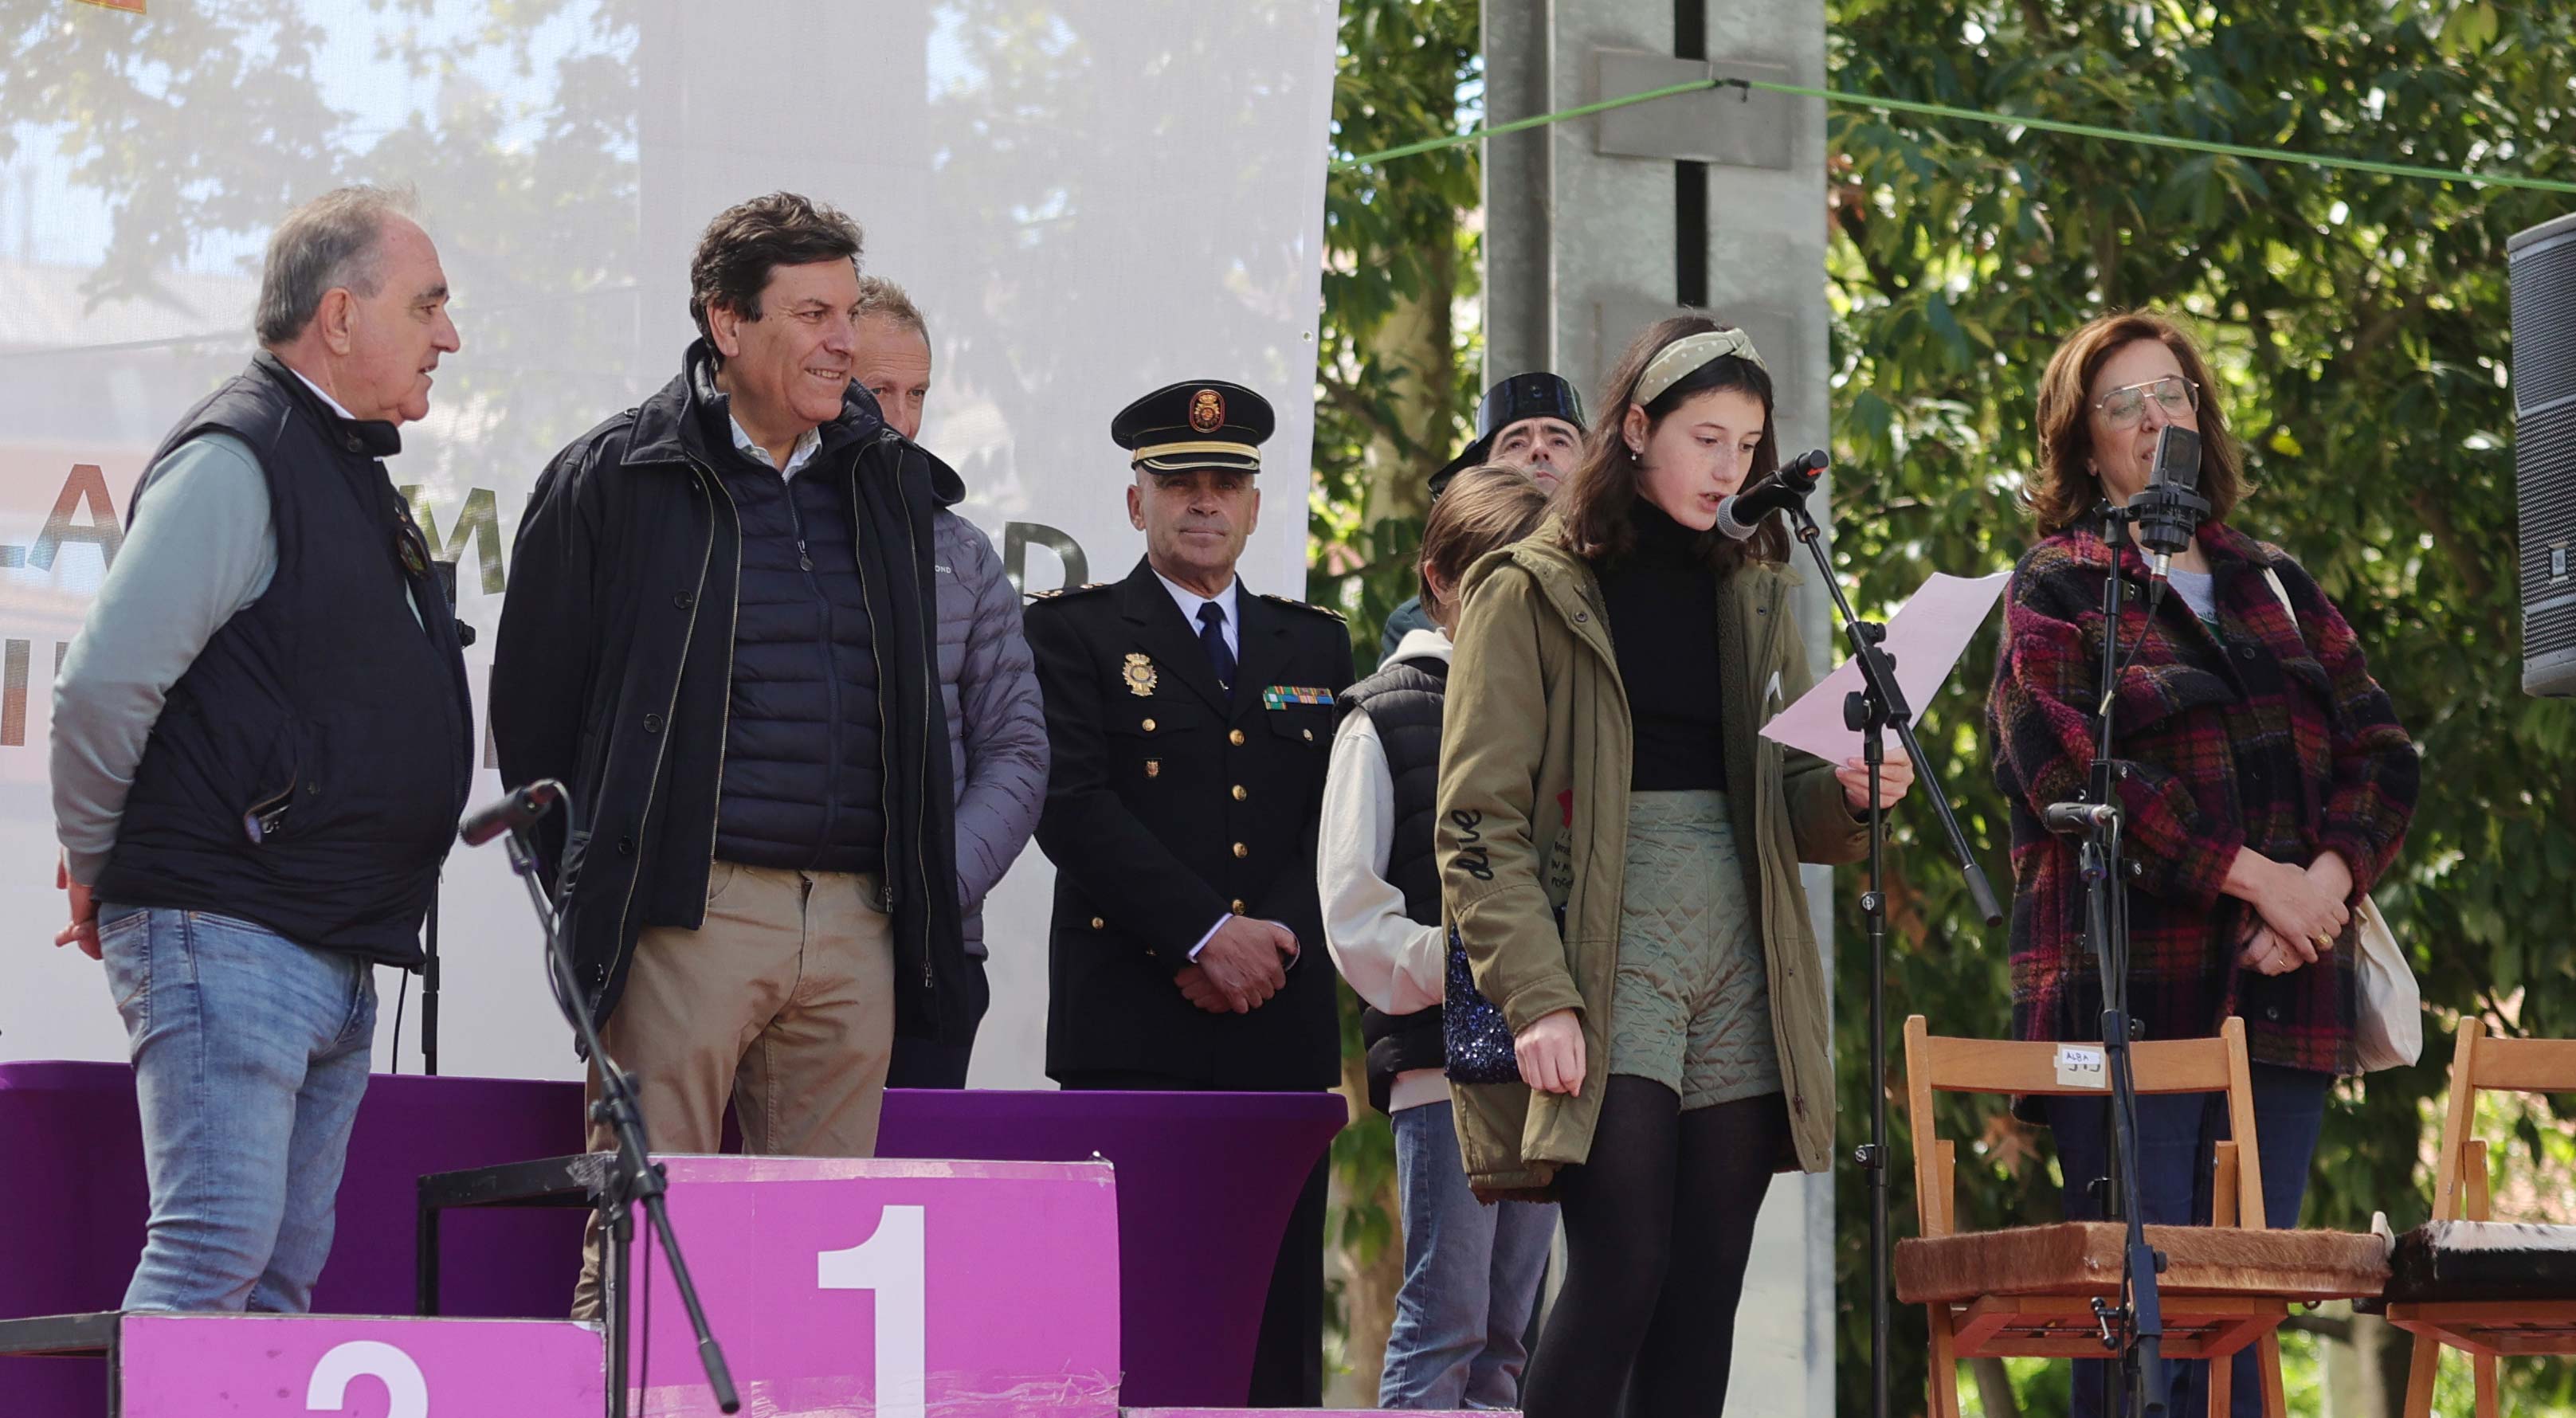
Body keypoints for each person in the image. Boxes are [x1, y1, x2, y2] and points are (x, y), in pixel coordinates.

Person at [491, 193, 974, 1315]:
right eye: (812, 313)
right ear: (726, 323)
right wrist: (616, 885)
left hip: (856, 926)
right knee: (648, 1252)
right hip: (685, 922)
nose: (843, 342)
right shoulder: (614, 477)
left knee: (814, 1270)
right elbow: (538, 733)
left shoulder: (890, 483)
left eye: (848, 312)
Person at [1437, 315, 1912, 1417]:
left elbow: (1782, 800)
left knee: (1706, 1289)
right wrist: (1536, 995)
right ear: (1635, 428)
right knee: (1623, 1270)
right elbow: (1474, 825)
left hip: (1741, 935)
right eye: (1707, 437)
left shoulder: (1755, 584)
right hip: (1605, 937)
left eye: (1747, 446)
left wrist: (1844, 797)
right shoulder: (1526, 585)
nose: (1729, 468)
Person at [1986, 311, 2419, 1418]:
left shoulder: (2273, 581)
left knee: (2241, 1315)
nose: (2153, 419)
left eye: (2171, 393)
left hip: (2284, 997)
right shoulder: (2060, 580)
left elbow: (2381, 751)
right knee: (2133, 1331)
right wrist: (2252, 876)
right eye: (2122, 403)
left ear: (2201, 415)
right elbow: (2067, 768)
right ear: (2082, 443)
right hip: (2127, 995)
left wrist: (2319, 886)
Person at [49, 185, 471, 1312]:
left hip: (323, 939)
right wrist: (97, 861)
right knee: (213, 1257)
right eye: (428, 305)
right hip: (230, 926)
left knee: (278, 1282)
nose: (449, 335)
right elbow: (100, 683)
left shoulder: (341, 464)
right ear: (340, 316)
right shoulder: (242, 455)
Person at [1026, 380, 1355, 1406]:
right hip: (1132, 1023)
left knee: (1274, 1321)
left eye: (1224, 483)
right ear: (1137, 503)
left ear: (1255, 505)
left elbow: (1339, 820)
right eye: (1179, 484)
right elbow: (1068, 806)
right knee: (1130, 1318)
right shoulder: (1073, 635)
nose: (1202, 502)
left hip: (1278, 1027)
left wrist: (1275, 943)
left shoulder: (1316, 645)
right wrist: (1205, 934)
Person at [1321, 465, 1555, 1409]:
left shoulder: (1554, 714)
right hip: (1438, 1066)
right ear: (1436, 580)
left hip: (1547, 1063)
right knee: (1445, 1318)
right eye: (1489, 578)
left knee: (1508, 1335)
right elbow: (1352, 914)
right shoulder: (1382, 712)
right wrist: (1463, 963)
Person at [850, 274, 1047, 1089]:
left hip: (935, 952)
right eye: (877, 390)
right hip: (779, 951)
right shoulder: (755, 531)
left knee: (909, 1200)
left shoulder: (963, 555)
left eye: (917, 393)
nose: (900, 417)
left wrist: (934, 888)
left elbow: (1016, 751)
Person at [1378, 370, 1585, 662]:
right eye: (1516, 443)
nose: (1540, 450)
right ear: (1481, 473)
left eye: (1560, 441)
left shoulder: (1622, 586)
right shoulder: (1425, 621)